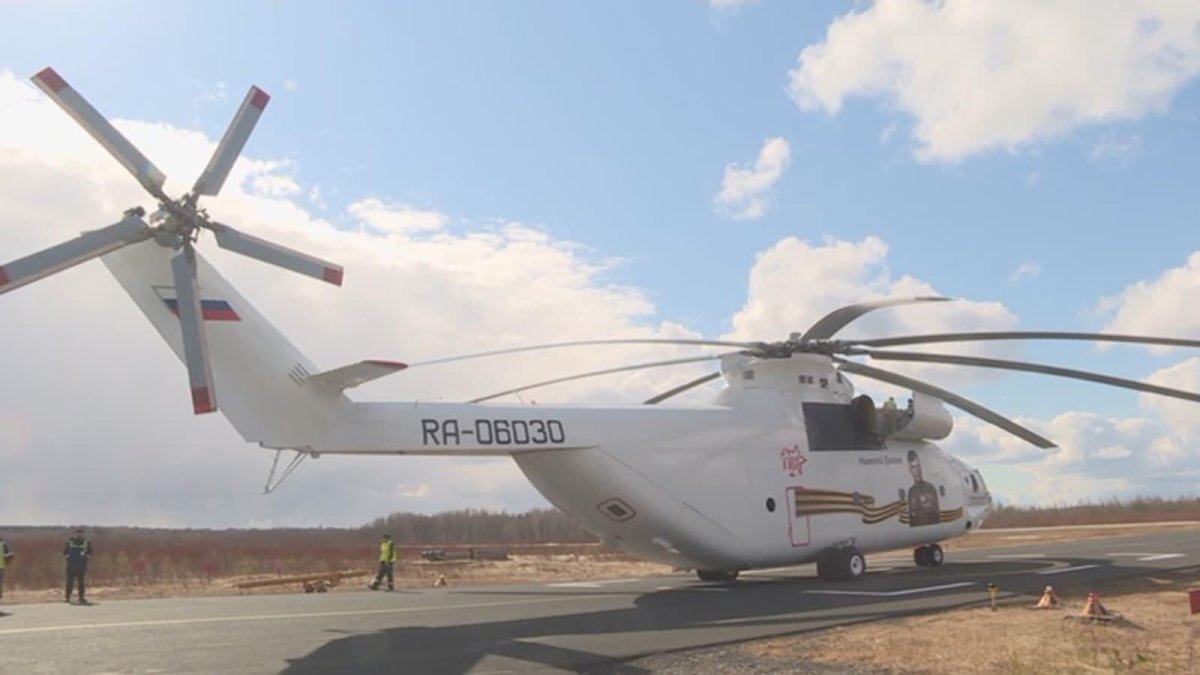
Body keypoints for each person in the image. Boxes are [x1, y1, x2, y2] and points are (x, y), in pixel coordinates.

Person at [905, 450, 940, 527]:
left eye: (918, 466)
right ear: (910, 469)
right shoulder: (911, 492)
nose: (917, 470)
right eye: (913, 467)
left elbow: (936, 513)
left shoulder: (930, 488)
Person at [63, 528, 93, 604]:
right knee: (69, 582)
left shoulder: (86, 542)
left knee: (81, 582)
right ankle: (67, 597)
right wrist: (68, 558)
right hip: (71, 565)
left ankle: (81, 597)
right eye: (77, 534)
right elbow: (65, 552)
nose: (79, 535)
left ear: (83, 534)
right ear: (75, 534)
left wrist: (86, 558)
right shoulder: (70, 541)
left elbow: (90, 552)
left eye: (80, 534)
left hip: (81, 565)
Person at [0, 536, 13, 601]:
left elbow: (10, 556)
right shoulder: (3, 544)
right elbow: (10, 556)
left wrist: (6, 563)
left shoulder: (3, 545)